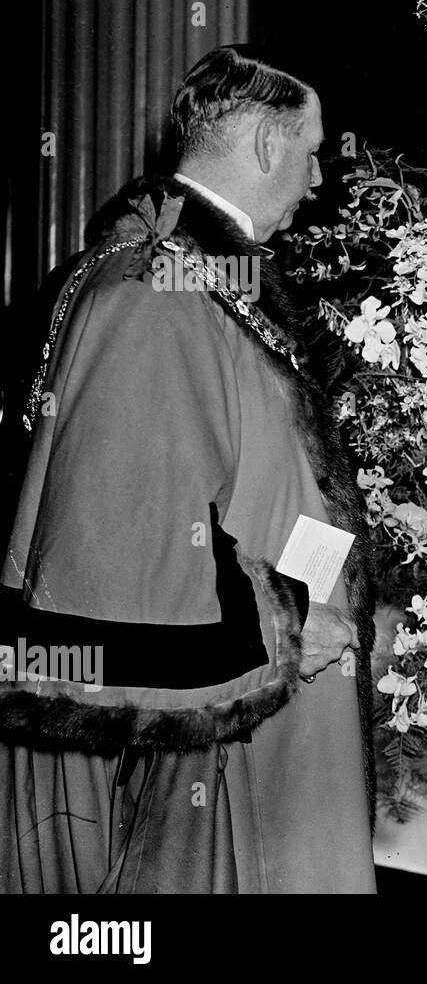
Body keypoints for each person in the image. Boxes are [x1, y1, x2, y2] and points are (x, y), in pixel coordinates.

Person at [0, 46, 377, 893]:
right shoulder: (154, 289)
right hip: (216, 739)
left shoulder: (197, 275)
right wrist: (284, 619)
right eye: (312, 151)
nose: (319, 177)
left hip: (256, 714)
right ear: (268, 149)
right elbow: (121, 548)